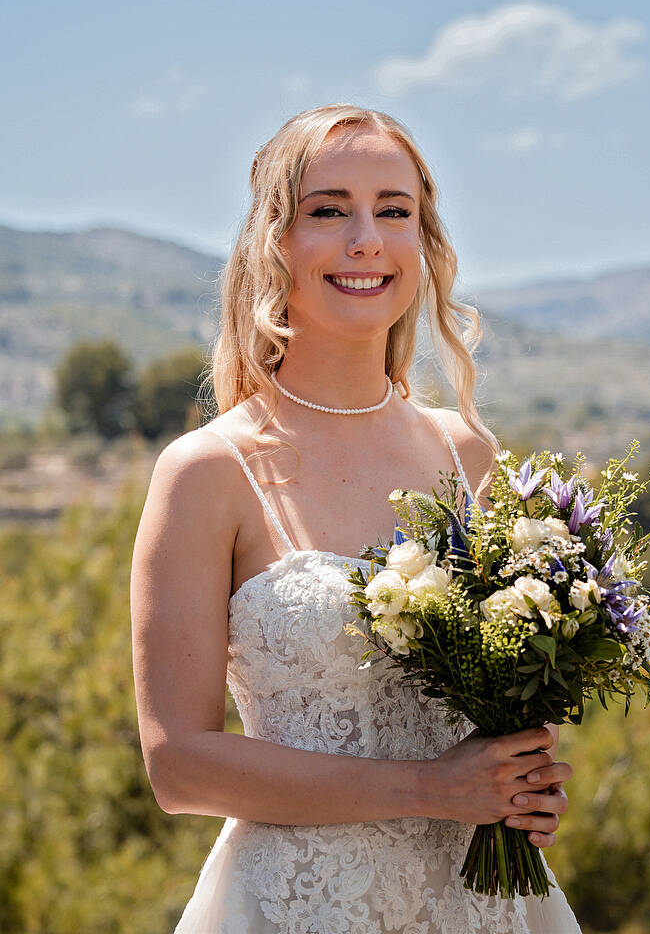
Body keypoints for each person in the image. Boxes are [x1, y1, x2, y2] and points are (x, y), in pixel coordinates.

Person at [131, 103, 583, 932]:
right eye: (329, 211)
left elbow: (497, 707)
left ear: (424, 242)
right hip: (299, 908)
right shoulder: (208, 471)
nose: (366, 239)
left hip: (481, 907)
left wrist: (520, 778)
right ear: (275, 241)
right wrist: (430, 790)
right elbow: (178, 765)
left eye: (394, 211)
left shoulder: (466, 456)